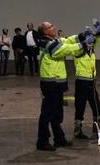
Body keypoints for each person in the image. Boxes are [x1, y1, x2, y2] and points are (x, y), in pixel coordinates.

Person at [36, 21, 94, 151]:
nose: (53, 27)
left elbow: (68, 40)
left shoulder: (54, 40)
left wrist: (82, 35)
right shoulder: (46, 43)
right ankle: (42, 141)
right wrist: (83, 44)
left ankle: (59, 139)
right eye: (50, 27)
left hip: (57, 84)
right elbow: (63, 50)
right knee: (47, 114)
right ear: (45, 31)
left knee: (56, 113)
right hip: (50, 84)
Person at [73, 22, 100, 139]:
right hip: (81, 82)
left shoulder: (91, 50)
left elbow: (97, 39)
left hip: (91, 82)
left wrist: (98, 31)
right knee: (80, 106)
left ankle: (97, 127)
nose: (92, 43)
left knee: (97, 105)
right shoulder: (79, 51)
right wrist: (85, 39)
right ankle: (77, 131)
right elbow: (82, 46)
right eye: (88, 40)